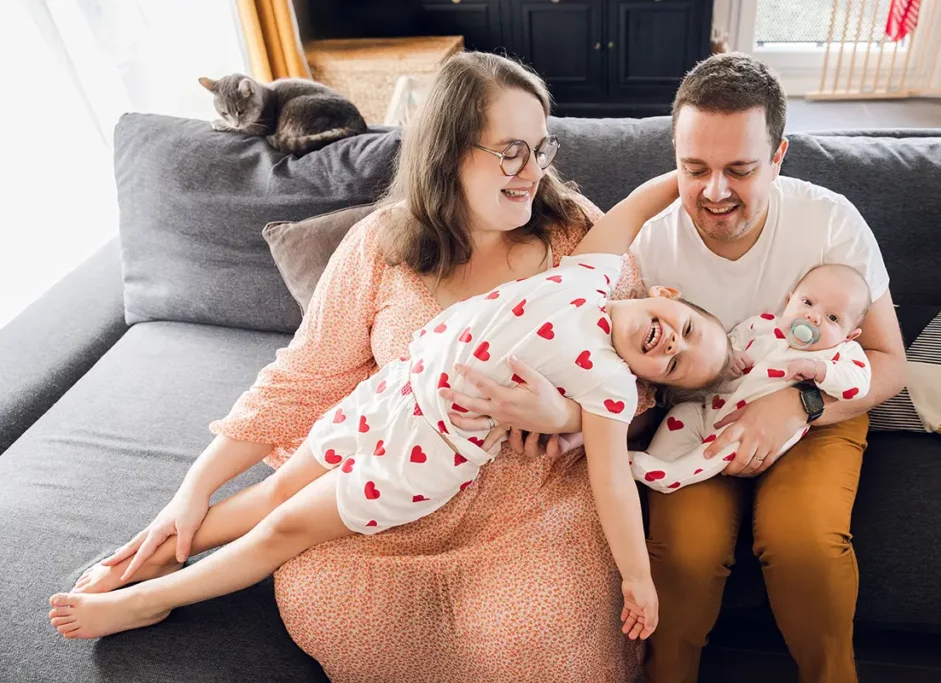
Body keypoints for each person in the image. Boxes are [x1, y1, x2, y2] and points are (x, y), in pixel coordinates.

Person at [59, 51, 672, 682]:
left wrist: (563, 414)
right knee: (326, 597)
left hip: (530, 504)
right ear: (451, 150)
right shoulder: (382, 245)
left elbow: (649, 377)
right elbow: (301, 379)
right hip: (392, 480)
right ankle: (154, 562)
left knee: (535, 637)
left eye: (541, 149)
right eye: (511, 150)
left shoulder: (577, 235)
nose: (531, 173)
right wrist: (191, 491)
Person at [49, 171, 736, 641]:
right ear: (668, 301)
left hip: (421, 456)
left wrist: (639, 578)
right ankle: (156, 555)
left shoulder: (610, 386)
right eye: (685, 330)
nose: (668, 344)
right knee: (278, 486)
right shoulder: (594, 270)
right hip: (387, 396)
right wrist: (701, 178)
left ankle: (147, 599)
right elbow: (642, 204)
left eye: (674, 363)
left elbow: (613, 485)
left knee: (285, 524)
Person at [444, 53, 907, 683]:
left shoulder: (832, 223)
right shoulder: (649, 244)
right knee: (684, 555)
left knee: (803, 547)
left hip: (813, 407)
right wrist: (574, 419)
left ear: (778, 157)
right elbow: (601, 348)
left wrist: (799, 405)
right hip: (695, 419)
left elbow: (889, 363)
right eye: (696, 169)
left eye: (741, 169)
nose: (715, 192)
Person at [630, 263, 872, 493]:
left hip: (756, 432)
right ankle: (651, 461)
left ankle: (669, 477)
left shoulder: (839, 352)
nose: (813, 317)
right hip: (709, 408)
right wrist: (730, 357)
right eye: (807, 302)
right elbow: (724, 347)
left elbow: (858, 384)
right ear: (788, 302)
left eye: (832, 318)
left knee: (726, 444)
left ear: (851, 335)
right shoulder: (761, 325)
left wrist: (820, 370)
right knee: (682, 415)